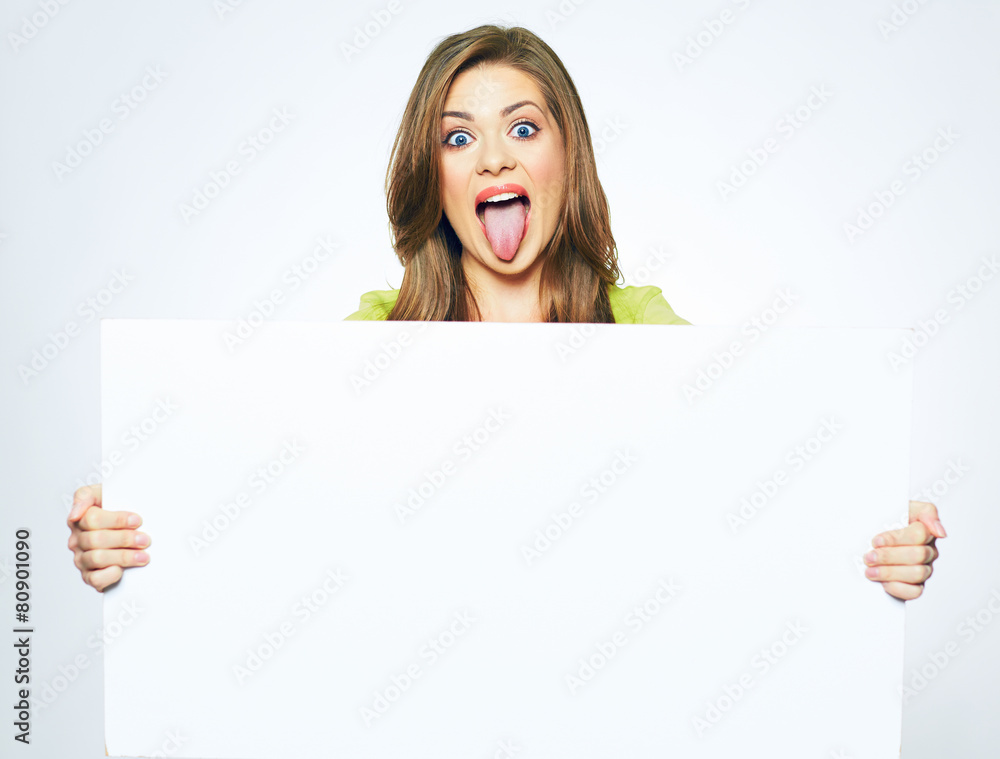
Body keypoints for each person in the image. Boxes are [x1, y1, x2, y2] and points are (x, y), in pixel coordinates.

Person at [67, 25, 944, 599]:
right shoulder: (372, 341)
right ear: (434, 176)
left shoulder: (639, 323)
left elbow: (755, 468)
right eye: (458, 136)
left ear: (568, 154)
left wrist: (870, 523)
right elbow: (263, 509)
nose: (491, 157)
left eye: (523, 128)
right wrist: (130, 530)